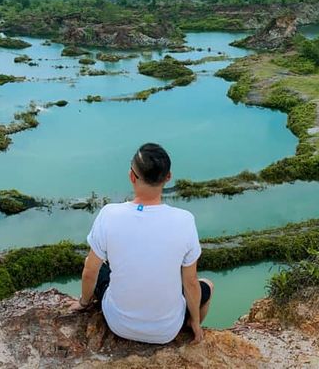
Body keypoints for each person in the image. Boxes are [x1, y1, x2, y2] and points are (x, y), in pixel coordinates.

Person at [72, 143, 213, 345]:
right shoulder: (185, 220)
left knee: (95, 263)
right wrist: (197, 321)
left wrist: (83, 303)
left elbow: (89, 272)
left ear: (132, 176)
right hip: (167, 331)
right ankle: (190, 327)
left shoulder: (109, 214)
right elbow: (190, 282)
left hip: (118, 324)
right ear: (168, 177)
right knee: (207, 285)